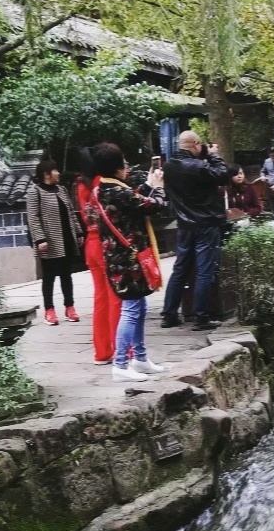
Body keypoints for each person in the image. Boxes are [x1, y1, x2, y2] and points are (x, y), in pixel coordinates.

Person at [89, 142, 167, 382]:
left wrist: (148, 186)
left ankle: (140, 358)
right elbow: (153, 206)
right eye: (123, 162)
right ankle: (121, 363)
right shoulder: (118, 192)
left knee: (139, 307)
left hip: (119, 259)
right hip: (128, 262)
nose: (126, 166)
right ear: (116, 167)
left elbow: (132, 200)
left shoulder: (102, 189)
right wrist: (159, 188)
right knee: (132, 310)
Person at [161, 130, 232, 331]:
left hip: (184, 224)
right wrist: (214, 155)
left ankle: (169, 314)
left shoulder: (169, 166)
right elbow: (223, 175)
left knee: (180, 270)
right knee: (204, 271)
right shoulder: (199, 166)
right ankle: (201, 316)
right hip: (205, 223)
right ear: (196, 144)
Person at [73, 151, 119, 365]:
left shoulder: (81, 186)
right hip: (105, 244)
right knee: (116, 298)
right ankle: (122, 349)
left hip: (91, 244)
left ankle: (102, 352)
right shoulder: (103, 183)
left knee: (100, 298)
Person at [25, 157, 83, 326]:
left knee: (66, 275)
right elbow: (33, 218)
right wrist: (40, 238)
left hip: (66, 238)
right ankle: (49, 310)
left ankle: (69, 307)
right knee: (49, 276)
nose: (58, 173)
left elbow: (71, 212)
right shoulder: (35, 192)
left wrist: (78, 231)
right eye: (55, 170)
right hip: (49, 241)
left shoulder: (61, 190)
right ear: (46, 174)